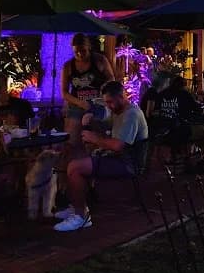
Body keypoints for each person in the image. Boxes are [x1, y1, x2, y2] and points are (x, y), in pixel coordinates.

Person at [53, 81, 148, 232]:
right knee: (73, 159)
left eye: (110, 102)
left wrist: (95, 139)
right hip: (117, 158)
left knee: (75, 167)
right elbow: (108, 123)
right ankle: (78, 206)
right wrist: (91, 118)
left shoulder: (131, 115)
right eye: (107, 102)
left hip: (128, 164)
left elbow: (117, 145)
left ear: (121, 97)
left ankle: (81, 216)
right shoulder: (120, 111)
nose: (108, 105)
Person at [61, 33, 115, 146]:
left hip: (98, 103)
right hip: (77, 103)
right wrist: (80, 103)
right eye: (76, 52)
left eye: (83, 51)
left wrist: (103, 91)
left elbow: (111, 79)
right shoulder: (68, 66)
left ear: (89, 47)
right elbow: (64, 92)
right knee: (72, 139)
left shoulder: (100, 60)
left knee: (95, 135)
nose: (80, 54)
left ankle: (94, 157)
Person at [146, 75, 204, 158]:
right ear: (183, 86)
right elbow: (198, 111)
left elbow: (154, 112)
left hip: (162, 132)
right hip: (180, 131)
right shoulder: (184, 94)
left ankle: (186, 155)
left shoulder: (161, 94)